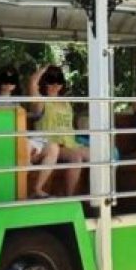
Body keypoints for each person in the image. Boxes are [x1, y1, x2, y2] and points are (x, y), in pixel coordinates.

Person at [29, 64, 88, 198]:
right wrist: (45, 68)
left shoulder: (66, 102)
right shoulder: (41, 102)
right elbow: (32, 82)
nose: (55, 85)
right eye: (51, 81)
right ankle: (70, 197)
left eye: (58, 81)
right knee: (76, 158)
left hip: (71, 143)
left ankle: (97, 199)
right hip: (52, 145)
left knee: (98, 154)